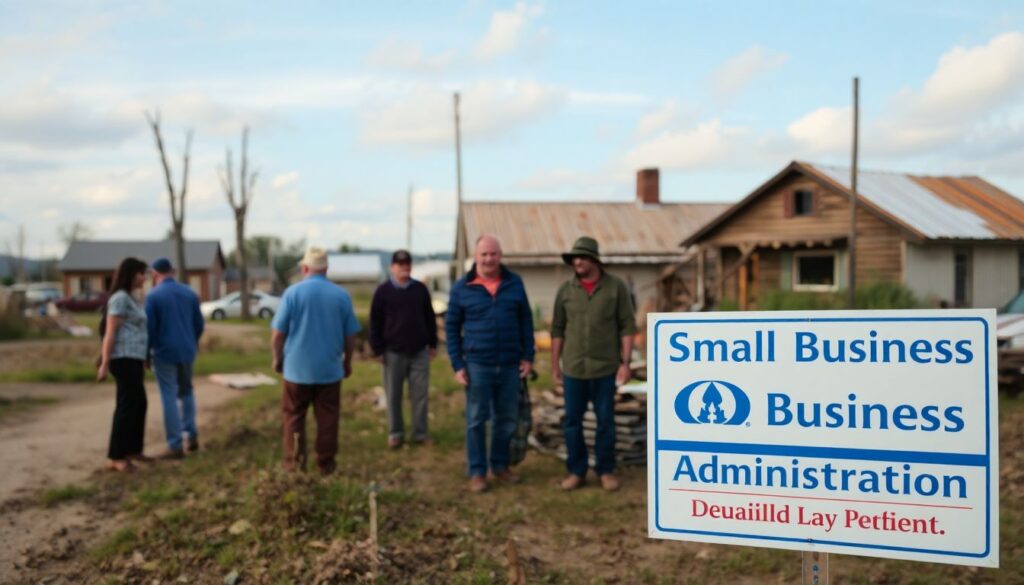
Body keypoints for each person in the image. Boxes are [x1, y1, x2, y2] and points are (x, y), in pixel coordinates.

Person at [446, 235, 534, 493]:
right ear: (476, 256)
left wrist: (528, 356)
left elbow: (526, 322)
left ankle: (499, 465)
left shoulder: (514, 283)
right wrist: (457, 364)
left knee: (506, 419)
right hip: (477, 365)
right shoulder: (462, 287)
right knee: (476, 419)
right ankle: (477, 471)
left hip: (509, 364)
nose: (488, 259)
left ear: (500, 255)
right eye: (483, 254)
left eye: (493, 254)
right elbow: (452, 327)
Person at [551, 236, 636, 491]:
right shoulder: (565, 291)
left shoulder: (616, 288)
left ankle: (606, 470)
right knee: (572, 422)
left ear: (594, 260)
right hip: (574, 368)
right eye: (575, 257)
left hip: (605, 368)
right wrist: (555, 365)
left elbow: (627, 326)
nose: (577, 261)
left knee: (605, 421)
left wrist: (626, 362)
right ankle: (577, 471)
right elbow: (557, 329)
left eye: (583, 257)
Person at [271, 246, 361, 474]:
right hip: (329, 371)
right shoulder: (341, 296)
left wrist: (277, 358)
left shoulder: (292, 294)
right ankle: (325, 465)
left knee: (293, 417)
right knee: (328, 419)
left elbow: (278, 334)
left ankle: (294, 466)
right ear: (326, 269)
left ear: (304, 268)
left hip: (296, 370)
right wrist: (347, 362)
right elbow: (350, 335)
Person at [369, 249, 438, 449]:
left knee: (420, 394)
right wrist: (378, 349)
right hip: (393, 352)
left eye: (407, 264)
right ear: (392, 267)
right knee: (393, 394)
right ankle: (395, 433)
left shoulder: (420, 290)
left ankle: (420, 432)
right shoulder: (383, 292)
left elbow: (429, 317)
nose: (404, 268)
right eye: (400, 265)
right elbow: (375, 322)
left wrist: (432, 343)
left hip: (419, 351)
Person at [145, 257, 205, 459]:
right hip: (187, 351)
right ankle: (191, 434)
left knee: (169, 396)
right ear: (173, 271)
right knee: (186, 392)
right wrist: (191, 341)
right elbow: (199, 324)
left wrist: (146, 353)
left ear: (155, 274)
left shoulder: (153, 296)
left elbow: (150, 329)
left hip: (164, 352)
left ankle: (175, 444)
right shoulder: (189, 293)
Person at [97, 257, 151, 473]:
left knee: (139, 403)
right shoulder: (119, 299)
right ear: (130, 274)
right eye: (141, 273)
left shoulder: (131, 298)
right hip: (123, 359)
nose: (144, 278)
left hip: (134, 358)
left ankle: (133, 450)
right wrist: (104, 362)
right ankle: (116, 456)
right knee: (128, 406)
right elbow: (110, 332)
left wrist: (145, 356)